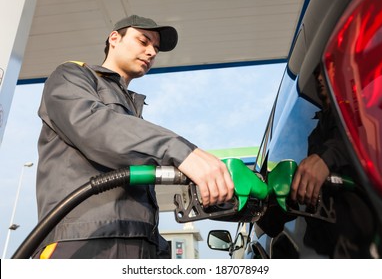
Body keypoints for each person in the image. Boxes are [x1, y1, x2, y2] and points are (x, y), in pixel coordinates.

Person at [33, 15, 234, 259]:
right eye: (143, 41)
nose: (151, 52)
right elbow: (93, 126)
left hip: (140, 243)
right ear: (114, 38)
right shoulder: (72, 75)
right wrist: (181, 150)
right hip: (83, 240)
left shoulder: (133, 113)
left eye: (156, 48)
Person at [289, 64, 376, 258]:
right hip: (329, 243)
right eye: (316, 74)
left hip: (366, 231)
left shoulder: (357, 111)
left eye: (325, 71)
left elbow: (360, 138)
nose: (319, 78)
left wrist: (325, 159)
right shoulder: (315, 134)